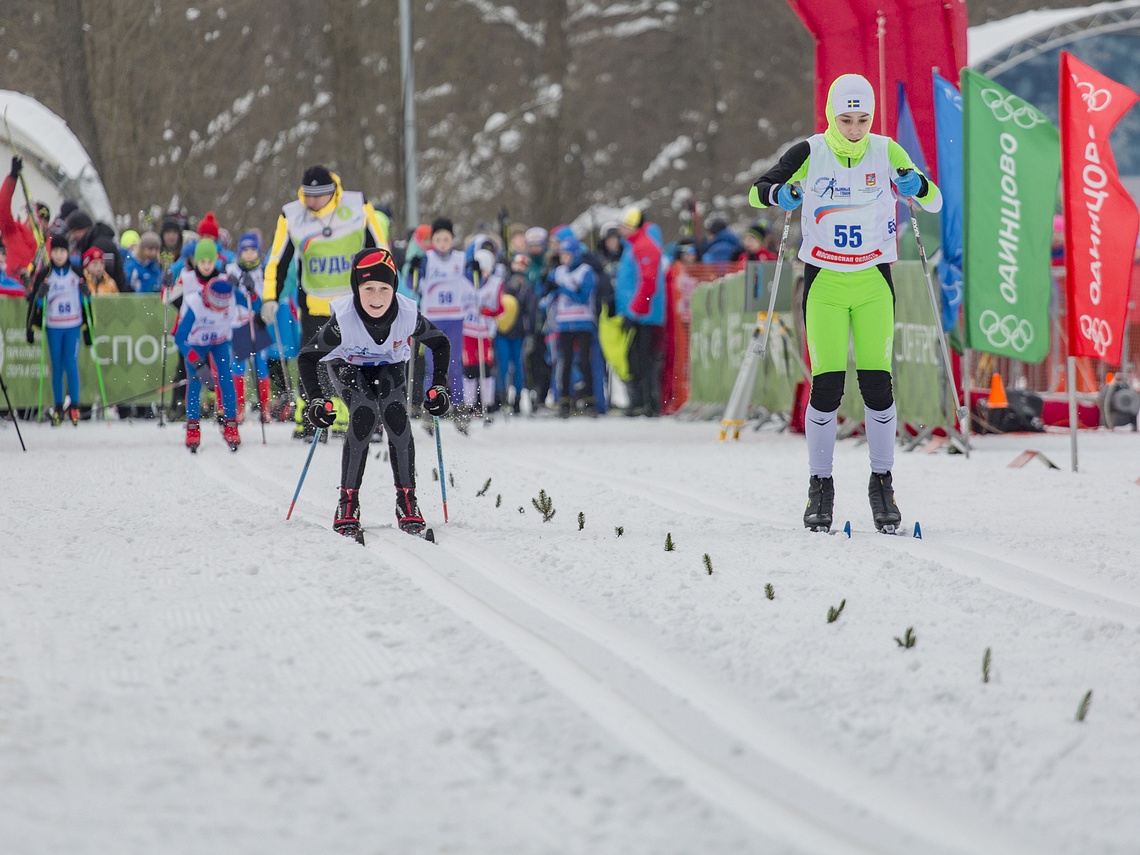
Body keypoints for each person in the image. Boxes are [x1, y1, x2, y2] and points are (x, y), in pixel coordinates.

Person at [748, 72, 942, 533]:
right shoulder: (809, 151)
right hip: (826, 284)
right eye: (846, 119)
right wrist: (784, 192)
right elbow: (758, 191)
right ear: (832, 115)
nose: (854, 128)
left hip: (874, 280)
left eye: (862, 119)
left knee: (878, 385)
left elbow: (932, 201)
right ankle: (821, 486)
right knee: (828, 386)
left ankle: (882, 484)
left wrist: (916, 186)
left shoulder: (886, 149)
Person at [297, 247, 453, 545]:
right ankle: (347, 502)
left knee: (395, 414)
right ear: (356, 288)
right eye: (368, 288)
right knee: (365, 412)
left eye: (384, 288)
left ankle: (407, 500)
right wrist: (316, 400)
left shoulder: (407, 314)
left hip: (390, 365)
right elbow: (306, 358)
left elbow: (441, 343)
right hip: (347, 366)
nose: (377, 297)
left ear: (394, 288)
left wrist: (440, 386)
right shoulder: (343, 321)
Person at [259, 164, 390, 439]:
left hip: (355, 303)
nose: (312, 202)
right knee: (313, 363)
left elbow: (381, 251)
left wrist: (385, 291)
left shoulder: (357, 206)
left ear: (332, 192)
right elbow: (278, 260)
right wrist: (270, 297)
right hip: (314, 303)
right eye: (308, 196)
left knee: (360, 361)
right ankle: (311, 420)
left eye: (318, 196)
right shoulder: (292, 215)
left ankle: (366, 419)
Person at [26, 234, 91, 426]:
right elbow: (37, 303)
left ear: (68, 252)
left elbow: (85, 302)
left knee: (71, 363)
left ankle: (75, 407)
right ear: (50, 253)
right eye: (55, 251)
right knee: (57, 366)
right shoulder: (46, 274)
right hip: (53, 326)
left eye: (62, 251)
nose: (59, 255)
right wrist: (40, 295)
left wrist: (87, 294)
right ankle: (58, 406)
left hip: (72, 325)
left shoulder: (76, 273)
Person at [173, 274, 241, 452]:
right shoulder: (195, 304)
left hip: (220, 343)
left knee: (226, 379)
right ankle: (193, 427)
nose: (218, 310)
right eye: (215, 305)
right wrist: (198, 363)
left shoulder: (232, 295)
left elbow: (255, 304)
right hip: (196, 344)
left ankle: (231, 424)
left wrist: (246, 286)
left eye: (222, 306)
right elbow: (180, 338)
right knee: (195, 383)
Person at [409, 217, 471, 409]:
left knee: (454, 364)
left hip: (454, 317)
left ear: (452, 239)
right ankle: (431, 403)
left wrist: (475, 268)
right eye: (438, 240)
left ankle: (459, 405)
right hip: (432, 318)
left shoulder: (461, 259)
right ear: (432, 241)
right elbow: (412, 285)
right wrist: (413, 269)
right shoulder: (427, 259)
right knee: (432, 364)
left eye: (446, 239)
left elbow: (473, 281)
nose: (442, 244)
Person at [616, 206, 666, 416]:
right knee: (635, 358)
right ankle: (641, 401)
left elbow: (648, 282)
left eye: (624, 226)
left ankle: (647, 403)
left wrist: (634, 312)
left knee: (642, 359)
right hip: (640, 313)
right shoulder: (635, 245)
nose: (621, 230)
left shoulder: (644, 245)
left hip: (645, 316)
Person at [543, 236, 598, 418]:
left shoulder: (585, 271)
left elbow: (583, 297)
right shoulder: (558, 272)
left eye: (568, 255)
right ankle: (564, 401)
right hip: (564, 323)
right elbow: (546, 294)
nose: (564, 259)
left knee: (584, 361)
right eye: (562, 255)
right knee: (564, 362)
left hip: (583, 322)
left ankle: (590, 401)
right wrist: (547, 287)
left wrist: (561, 288)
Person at [227, 232, 271, 423]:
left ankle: (265, 408)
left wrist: (254, 295)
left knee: (261, 366)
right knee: (238, 367)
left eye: (253, 250)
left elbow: (264, 299)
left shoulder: (263, 270)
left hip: (257, 323)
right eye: (245, 250)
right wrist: (235, 287)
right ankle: (239, 407)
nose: (249, 254)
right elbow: (227, 295)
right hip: (238, 323)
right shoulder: (231, 269)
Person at [462, 248, 503, 417]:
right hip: (468, 330)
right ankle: (469, 404)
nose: (481, 274)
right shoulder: (465, 282)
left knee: (485, 366)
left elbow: (500, 308)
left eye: (485, 270)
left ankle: (488, 404)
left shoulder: (495, 284)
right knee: (470, 367)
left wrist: (487, 312)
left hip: (485, 331)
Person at [495, 252, 537, 414]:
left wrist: (530, 333)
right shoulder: (503, 282)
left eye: (524, 265)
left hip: (519, 332)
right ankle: (500, 398)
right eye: (517, 264)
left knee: (519, 367)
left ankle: (518, 399)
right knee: (503, 366)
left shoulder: (528, 286)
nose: (520, 267)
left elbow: (530, 311)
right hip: (503, 332)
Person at [0, 156, 45, 281]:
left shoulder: (46, 243)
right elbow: (2, 207)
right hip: (10, 291)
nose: (39, 221)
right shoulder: (13, 231)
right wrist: (12, 177)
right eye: (36, 215)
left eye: (44, 219)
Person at [66, 210, 127, 292]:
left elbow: (106, 274)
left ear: (84, 229)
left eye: (74, 232)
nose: (73, 236)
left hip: (108, 295)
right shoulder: (93, 242)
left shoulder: (101, 246)